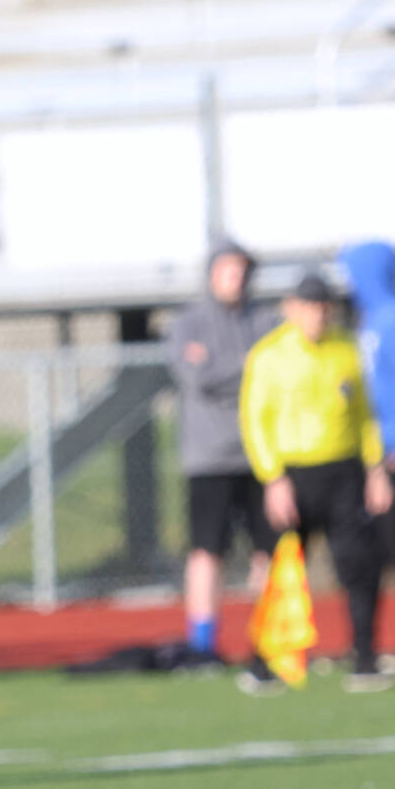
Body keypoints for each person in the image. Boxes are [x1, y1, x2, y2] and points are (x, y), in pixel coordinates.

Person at [239, 270, 394, 693]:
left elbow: (365, 414)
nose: (317, 315)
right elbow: (256, 421)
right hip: (291, 475)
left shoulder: (347, 349)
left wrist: (374, 468)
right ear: (290, 308)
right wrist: (272, 478)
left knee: (359, 566)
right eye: (309, 306)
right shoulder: (269, 356)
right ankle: (264, 662)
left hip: (344, 472)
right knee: (279, 569)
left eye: (324, 306)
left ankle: (365, 658)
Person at [168, 238, 278, 660]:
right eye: (229, 269)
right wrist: (249, 364)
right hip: (209, 458)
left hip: (260, 454)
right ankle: (202, 643)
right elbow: (197, 378)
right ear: (212, 273)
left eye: (243, 270)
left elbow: (272, 377)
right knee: (206, 551)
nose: (238, 277)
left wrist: (222, 365)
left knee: (267, 551)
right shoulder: (189, 324)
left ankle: (268, 637)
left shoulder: (265, 321)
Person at [340, 240, 395, 666]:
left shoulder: (394, 320)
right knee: (368, 559)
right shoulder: (370, 322)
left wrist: (394, 447)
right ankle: (366, 650)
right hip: (376, 458)